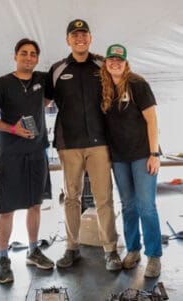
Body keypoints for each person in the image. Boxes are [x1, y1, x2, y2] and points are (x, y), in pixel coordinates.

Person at [45, 19, 122, 271]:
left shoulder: (102, 65)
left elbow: (122, 89)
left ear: (90, 38)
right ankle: (71, 248)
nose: (80, 38)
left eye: (84, 34)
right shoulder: (57, 70)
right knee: (71, 197)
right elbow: (41, 104)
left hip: (100, 143)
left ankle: (110, 250)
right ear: (68, 40)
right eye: (74, 35)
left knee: (104, 198)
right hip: (69, 144)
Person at [0, 38, 54, 284]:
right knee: (7, 208)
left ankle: (33, 250)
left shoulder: (42, 80)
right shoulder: (1, 84)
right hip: (10, 153)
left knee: (35, 204)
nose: (28, 57)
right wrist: (12, 129)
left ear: (37, 58)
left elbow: (46, 102)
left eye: (33, 54)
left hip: (37, 152)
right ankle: (3, 258)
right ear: (15, 56)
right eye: (23, 53)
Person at [100, 44, 162, 278]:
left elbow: (152, 121)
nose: (115, 63)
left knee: (146, 206)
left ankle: (154, 256)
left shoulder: (138, 84)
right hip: (119, 158)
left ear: (126, 63)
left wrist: (154, 154)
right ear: (106, 63)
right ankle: (133, 250)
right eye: (111, 59)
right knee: (128, 206)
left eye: (120, 59)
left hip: (143, 155)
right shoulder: (105, 89)